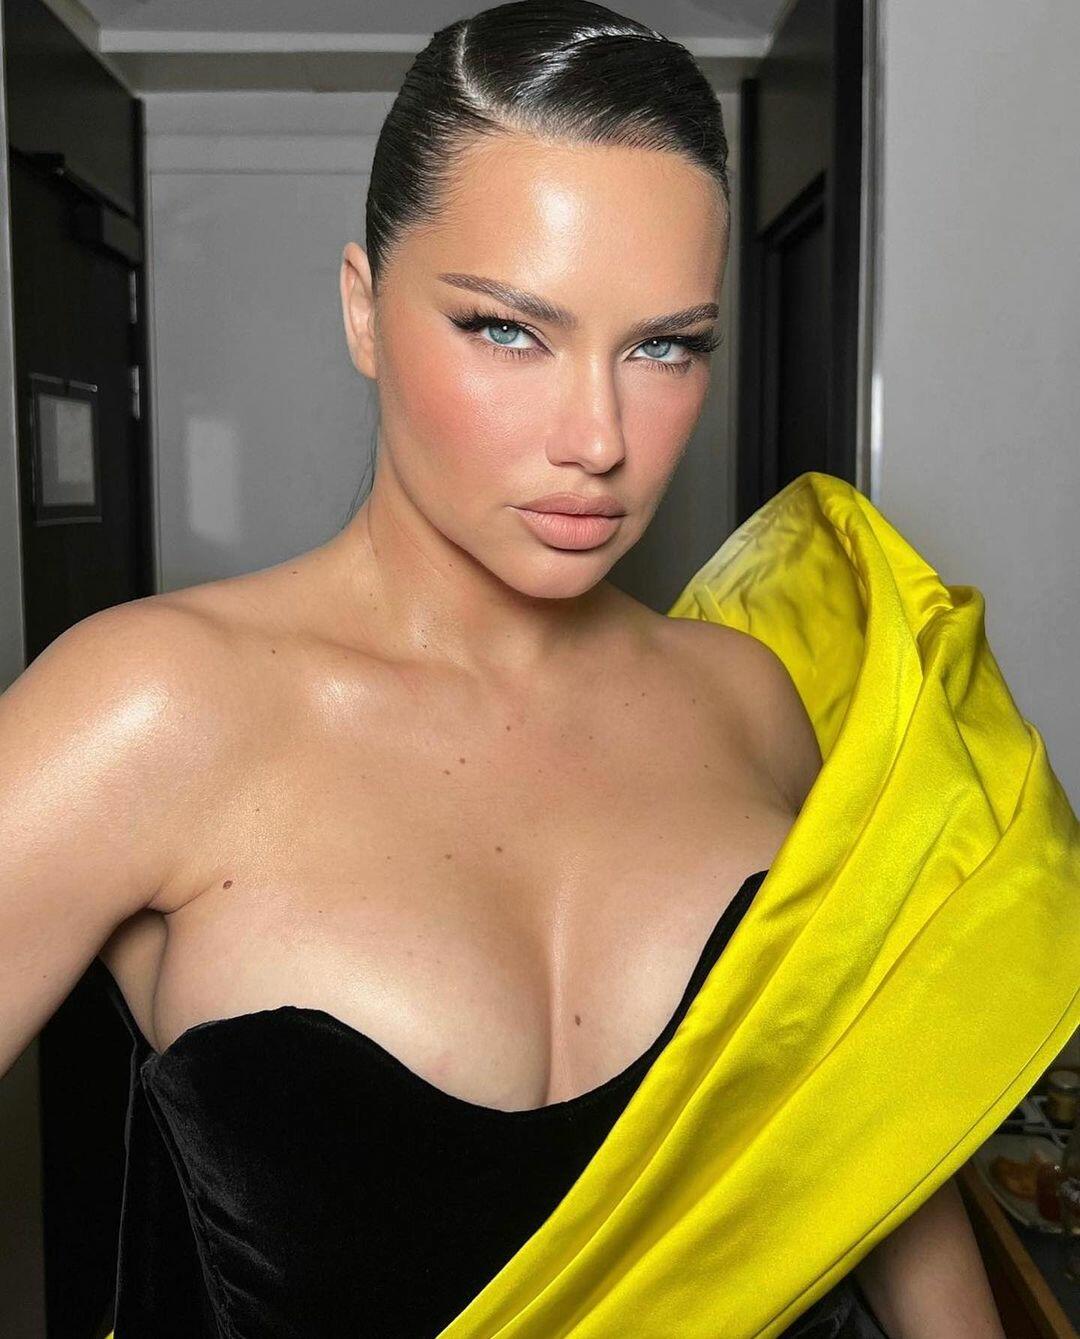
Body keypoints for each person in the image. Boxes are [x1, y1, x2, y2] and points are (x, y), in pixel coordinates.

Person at [3, 2, 1075, 1336]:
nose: (598, 437)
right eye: (510, 331)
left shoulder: (754, 703)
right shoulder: (152, 709)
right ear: (363, 310)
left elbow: (875, 1165)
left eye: (666, 345)